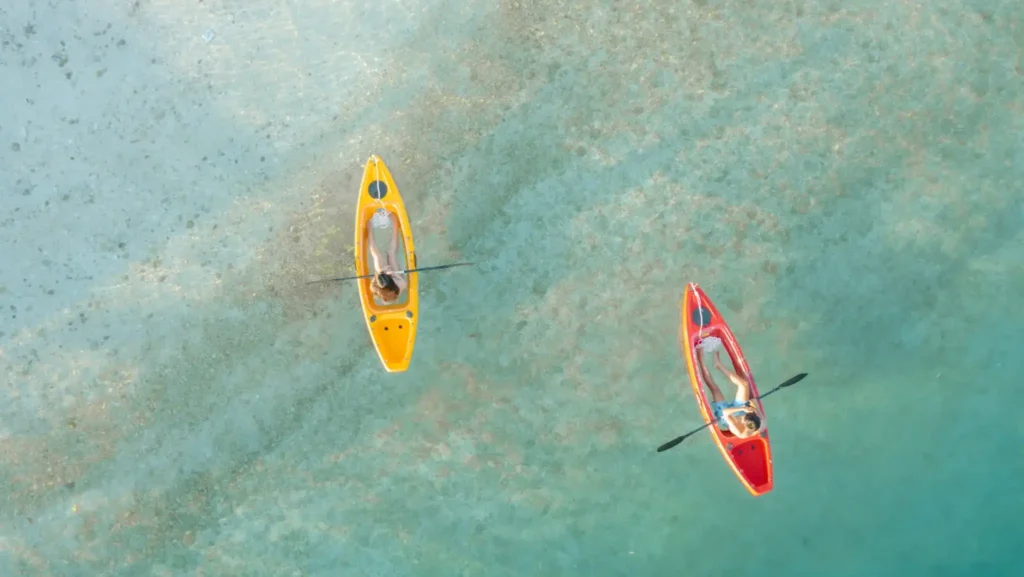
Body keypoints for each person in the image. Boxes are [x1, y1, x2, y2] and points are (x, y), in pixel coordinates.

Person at [699, 347, 763, 438]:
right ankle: (718, 365)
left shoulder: (740, 431)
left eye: (743, 418)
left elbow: (725, 412)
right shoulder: (759, 421)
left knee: (715, 389)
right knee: (744, 384)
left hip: (726, 416)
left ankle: (700, 360)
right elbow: (754, 400)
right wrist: (751, 406)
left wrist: (742, 409)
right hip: (740, 410)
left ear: (743, 423)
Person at [365, 209, 407, 303]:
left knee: (376, 256)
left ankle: (369, 230)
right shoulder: (401, 284)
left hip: (382, 277)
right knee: (391, 253)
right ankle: (395, 226)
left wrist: (381, 272)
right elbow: (402, 281)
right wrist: (393, 273)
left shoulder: (375, 289)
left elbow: (373, 281)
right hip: (395, 278)